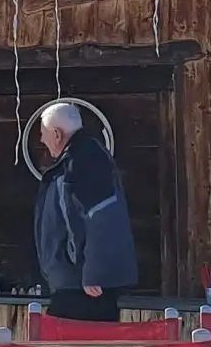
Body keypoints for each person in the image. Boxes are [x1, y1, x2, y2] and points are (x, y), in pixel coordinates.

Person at [32, 99, 137, 323]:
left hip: (83, 288)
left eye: (43, 133)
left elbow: (101, 215)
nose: (42, 139)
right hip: (72, 283)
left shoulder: (85, 160)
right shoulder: (76, 159)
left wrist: (94, 273)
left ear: (57, 134)